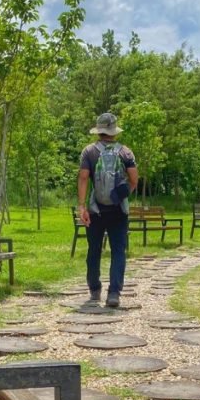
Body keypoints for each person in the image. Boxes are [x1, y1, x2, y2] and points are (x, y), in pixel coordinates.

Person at [77, 112, 138, 307]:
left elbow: (84, 178)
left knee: (94, 250)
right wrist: (120, 194)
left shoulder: (89, 152)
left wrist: (82, 206)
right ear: (114, 130)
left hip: (96, 210)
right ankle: (114, 294)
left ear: (99, 130)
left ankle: (95, 289)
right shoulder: (126, 152)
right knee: (118, 251)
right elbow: (134, 181)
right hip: (119, 211)